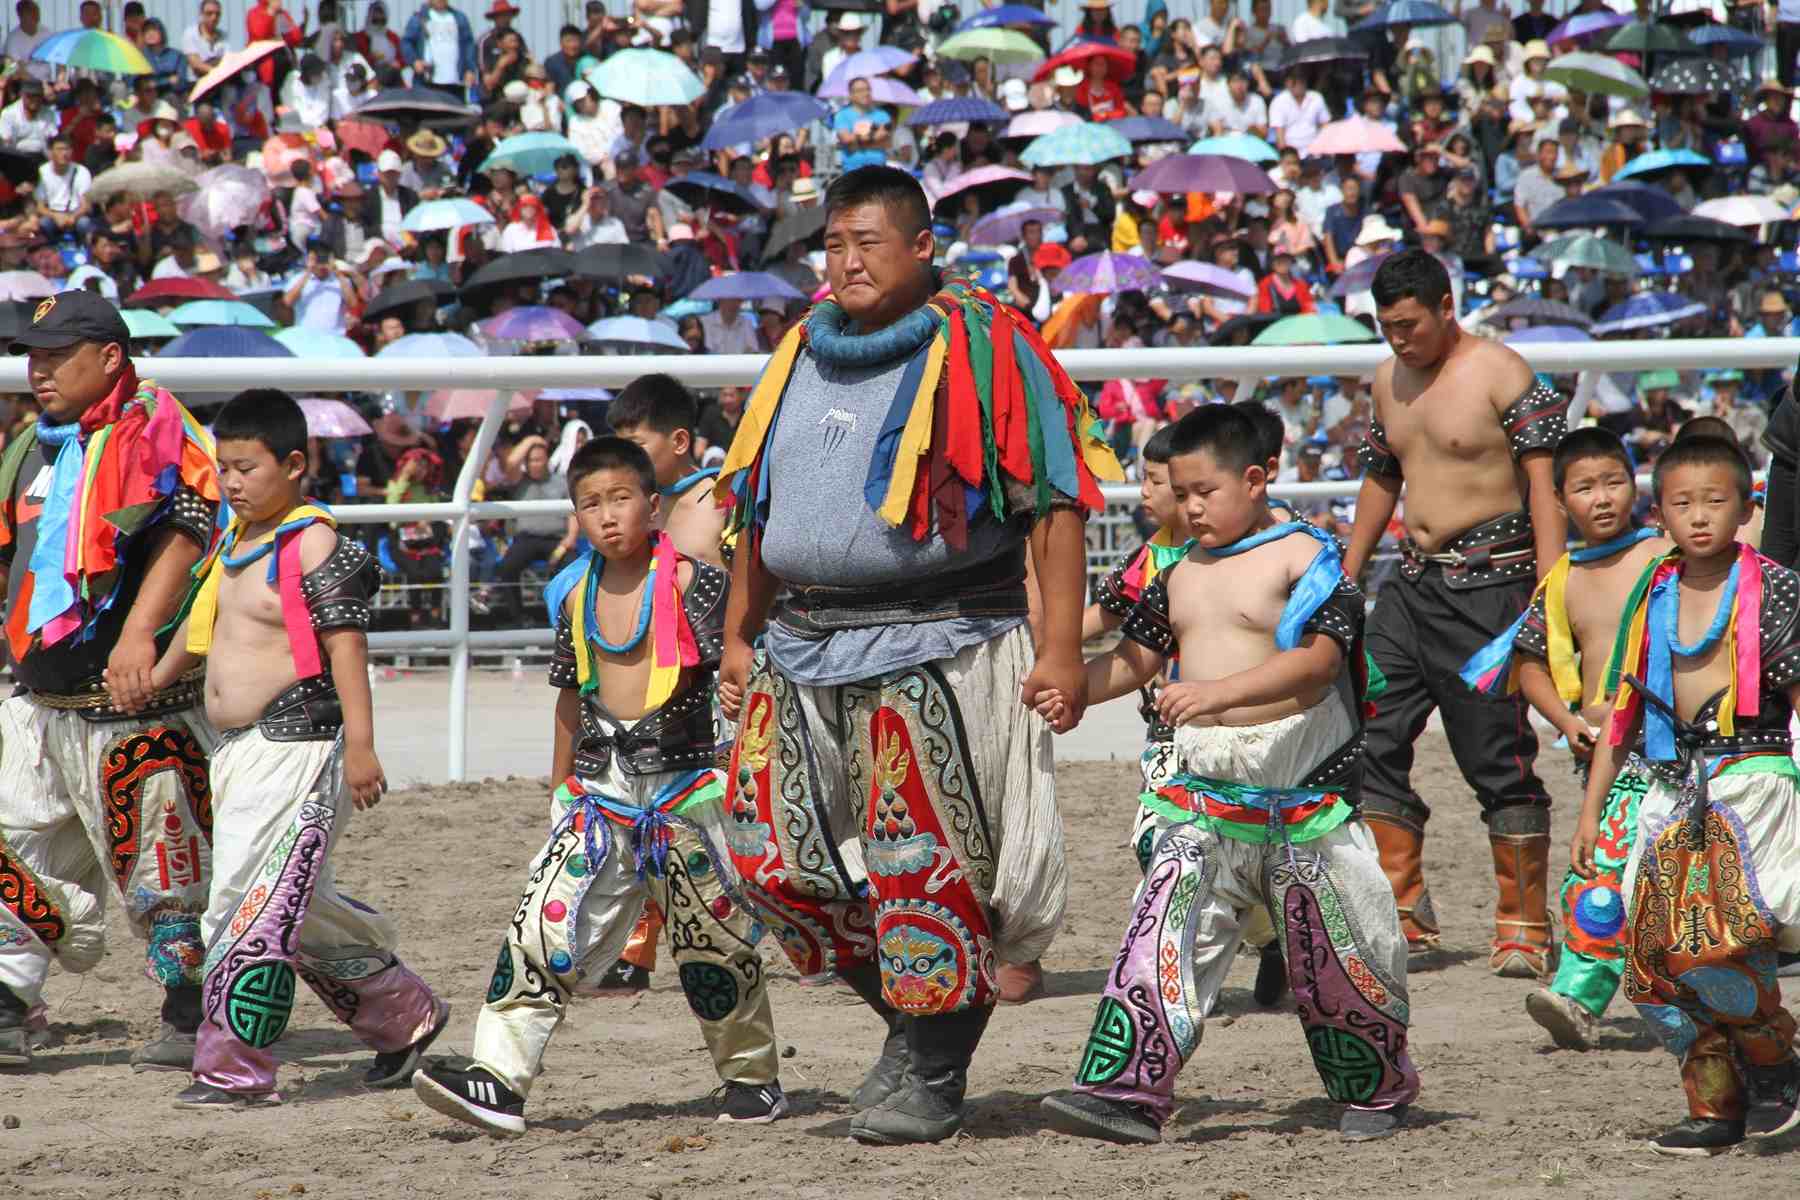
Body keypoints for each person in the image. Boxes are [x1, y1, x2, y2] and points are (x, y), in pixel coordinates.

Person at [711, 166, 1118, 1143]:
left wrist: (1062, 650)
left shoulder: (989, 345)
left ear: (923, 245)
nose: (847, 262)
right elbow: (756, 502)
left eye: (868, 243)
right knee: (766, 862)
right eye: (833, 245)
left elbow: (1054, 501)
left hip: (939, 636)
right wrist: (736, 631)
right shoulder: (799, 349)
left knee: (921, 866)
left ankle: (933, 1066)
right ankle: (920, 1021)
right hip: (799, 639)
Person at [1035, 405, 1420, 1145]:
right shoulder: (1177, 571)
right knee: (1161, 938)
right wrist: (1076, 689)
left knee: (1343, 952)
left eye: (1204, 491)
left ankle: (1376, 1091)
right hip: (1204, 799)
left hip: (1306, 798)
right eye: (1180, 493)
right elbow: (1137, 659)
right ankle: (1125, 1091)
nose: (1190, 508)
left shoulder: (1308, 560)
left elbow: (1318, 664)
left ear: (1255, 479)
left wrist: (1214, 694)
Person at [412, 436, 786, 1133]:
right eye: (591, 504)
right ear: (575, 516)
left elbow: (744, 673)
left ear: (654, 505)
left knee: (715, 947)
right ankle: (499, 1077)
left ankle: (752, 1080)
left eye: (621, 499)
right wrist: (560, 791)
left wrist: (746, 765)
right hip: (598, 792)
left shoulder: (699, 585)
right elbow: (570, 699)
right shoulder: (574, 593)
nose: (608, 516)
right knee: (539, 926)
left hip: (690, 791)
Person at [141, 389, 448, 1107]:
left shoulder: (311, 543)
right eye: (225, 468)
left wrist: (363, 746)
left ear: (294, 465)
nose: (232, 481)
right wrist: (148, 681)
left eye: (247, 468)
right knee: (294, 902)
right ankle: (405, 1016)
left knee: (246, 902)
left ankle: (235, 1068)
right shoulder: (234, 541)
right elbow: (202, 637)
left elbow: (348, 649)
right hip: (239, 751)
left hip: (299, 747)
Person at [0, 292, 221, 1071]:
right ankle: (8, 998)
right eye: (33, 355)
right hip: (39, 697)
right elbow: (11, 552)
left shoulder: (158, 429)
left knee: (164, 867)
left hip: (135, 704)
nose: (40, 370)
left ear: (110, 357)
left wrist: (136, 632)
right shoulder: (31, 447)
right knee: (17, 847)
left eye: (58, 355)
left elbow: (190, 529)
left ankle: (190, 1013)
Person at [1343, 250, 1564, 977]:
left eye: (1409, 324)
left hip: (1494, 587)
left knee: (1496, 754)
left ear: (1446, 307)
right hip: (1408, 588)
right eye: (1387, 327)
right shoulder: (1387, 379)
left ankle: (1524, 923)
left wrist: (1551, 594)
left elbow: (1545, 491)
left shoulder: (1504, 372)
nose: (1399, 339)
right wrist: (1347, 575)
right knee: (1366, 732)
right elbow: (1382, 478)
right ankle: (1403, 909)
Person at [1582, 435, 1800, 1157]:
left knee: (1725, 941)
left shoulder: (1776, 588)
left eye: (1715, 500)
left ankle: (1778, 1076)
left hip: (1753, 778)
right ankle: (1714, 1105)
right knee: (1650, 958)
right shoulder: (1653, 592)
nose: (1699, 516)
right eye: (1682, 503)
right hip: (1668, 784)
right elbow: (1623, 709)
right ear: (1660, 514)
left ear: (1746, 507)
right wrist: (1591, 812)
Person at [1457, 428, 1670, 1051]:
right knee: (1598, 878)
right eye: (1585, 487)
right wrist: (1566, 719)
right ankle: (1578, 996)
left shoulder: (1668, 556)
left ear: (1635, 484)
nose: (1602, 498)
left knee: (1684, 881)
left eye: (1614, 482)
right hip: (1612, 759)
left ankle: (1700, 1000)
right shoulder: (1563, 579)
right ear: (1558, 500)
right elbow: (1528, 666)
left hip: (1685, 752)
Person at [403, 0, 478, 100]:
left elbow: (469, 45)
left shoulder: (460, 18)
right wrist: (414, 61)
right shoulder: (419, 18)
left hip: (455, 83)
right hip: (427, 83)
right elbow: (406, 42)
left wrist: (470, 69)